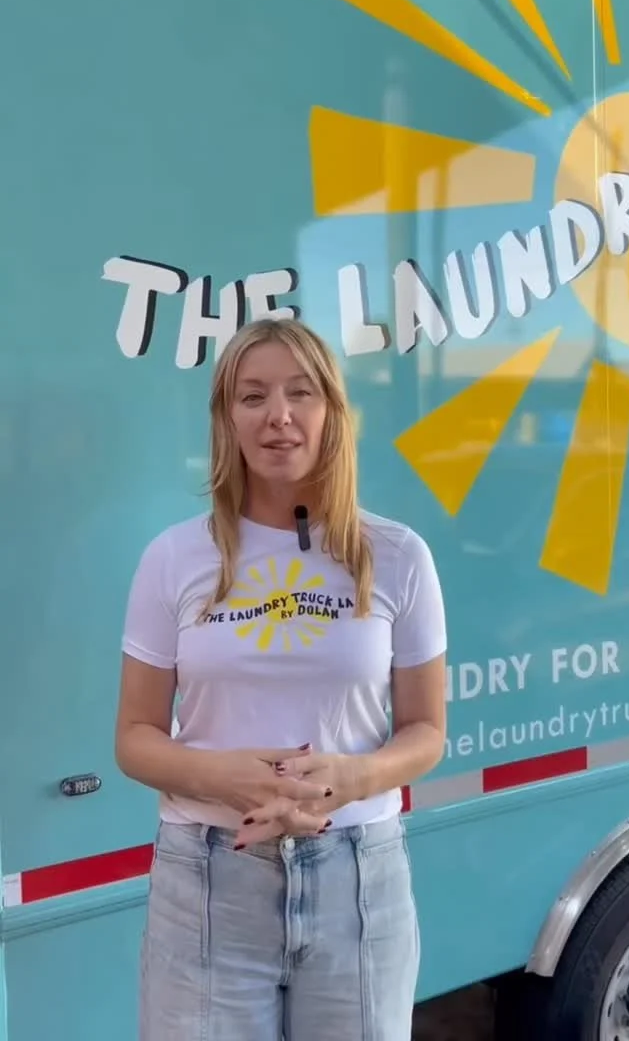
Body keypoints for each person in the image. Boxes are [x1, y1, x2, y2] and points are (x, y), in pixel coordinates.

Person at [115, 316, 447, 1041]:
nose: (278, 415)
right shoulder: (173, 558)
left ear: (332, 411)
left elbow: (427, 731)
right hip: (208, 882)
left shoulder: (397, 556)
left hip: (358, 883)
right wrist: (221, 777)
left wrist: (354, 777)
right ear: (226, 418)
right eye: (253, 395)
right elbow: (134, 737)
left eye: (301, 392)